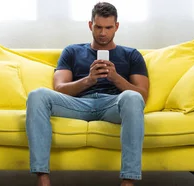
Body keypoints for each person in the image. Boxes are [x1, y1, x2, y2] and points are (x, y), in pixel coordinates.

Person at [25, 2, 149, 186]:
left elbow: (142, 96)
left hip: (113, 105)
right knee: (37, 95)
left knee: (132, 97)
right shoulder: (72, 51)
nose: (103, 33)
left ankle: (128, 181)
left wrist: (116, 78)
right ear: (90, 25)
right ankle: (42, 178)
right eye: (98, 27)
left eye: (108, 27)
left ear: (117, 26)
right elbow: (59, 88)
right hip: (78, 104)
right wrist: (89, 80)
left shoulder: (131, 55)